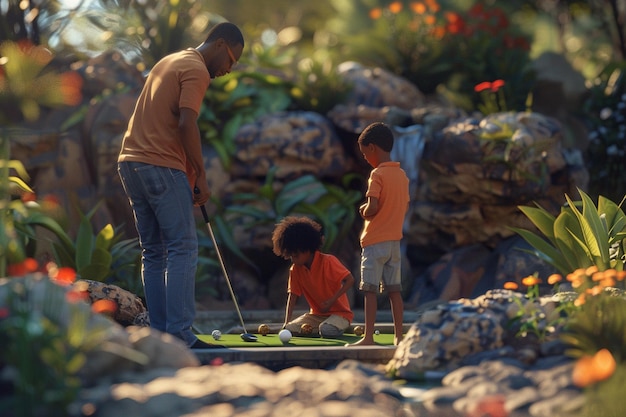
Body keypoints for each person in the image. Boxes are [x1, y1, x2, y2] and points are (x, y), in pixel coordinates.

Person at [117, 22, 244, 349]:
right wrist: (200, 174)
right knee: (182, 247)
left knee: (154, 251)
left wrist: (189, 175)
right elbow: (188, 122)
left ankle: (161, 338)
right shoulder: (196, 69)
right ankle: (181, 335)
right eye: (231, 60)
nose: (228, 70)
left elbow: (165, 121)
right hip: (159, 164)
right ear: (219, 45)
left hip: (130, 162)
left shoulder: (169, 61)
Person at [349, 122, 410, 346]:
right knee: (395, 291)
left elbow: (372, 207)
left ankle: (367, 338)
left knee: (370, 291)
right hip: (395, 243)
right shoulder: (402, 176)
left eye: (365, 154)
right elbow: (404, 206)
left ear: (373, 148)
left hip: (375, 242)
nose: (366, 159)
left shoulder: (377, 174)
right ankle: (398, 336)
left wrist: (364, 210)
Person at [272, 216, 355, 338]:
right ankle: (324, 327)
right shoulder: (295, 269)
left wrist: (331, 301)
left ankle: (339, 325)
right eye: (291, 256)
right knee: (290, 329)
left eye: (296, 255)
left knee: (327, 330)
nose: (293, 260)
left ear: (308, 249)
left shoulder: (328, 261)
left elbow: (350, 280)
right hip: (316, 316)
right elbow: (292, 297)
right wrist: (286, 323)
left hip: (340, 314)